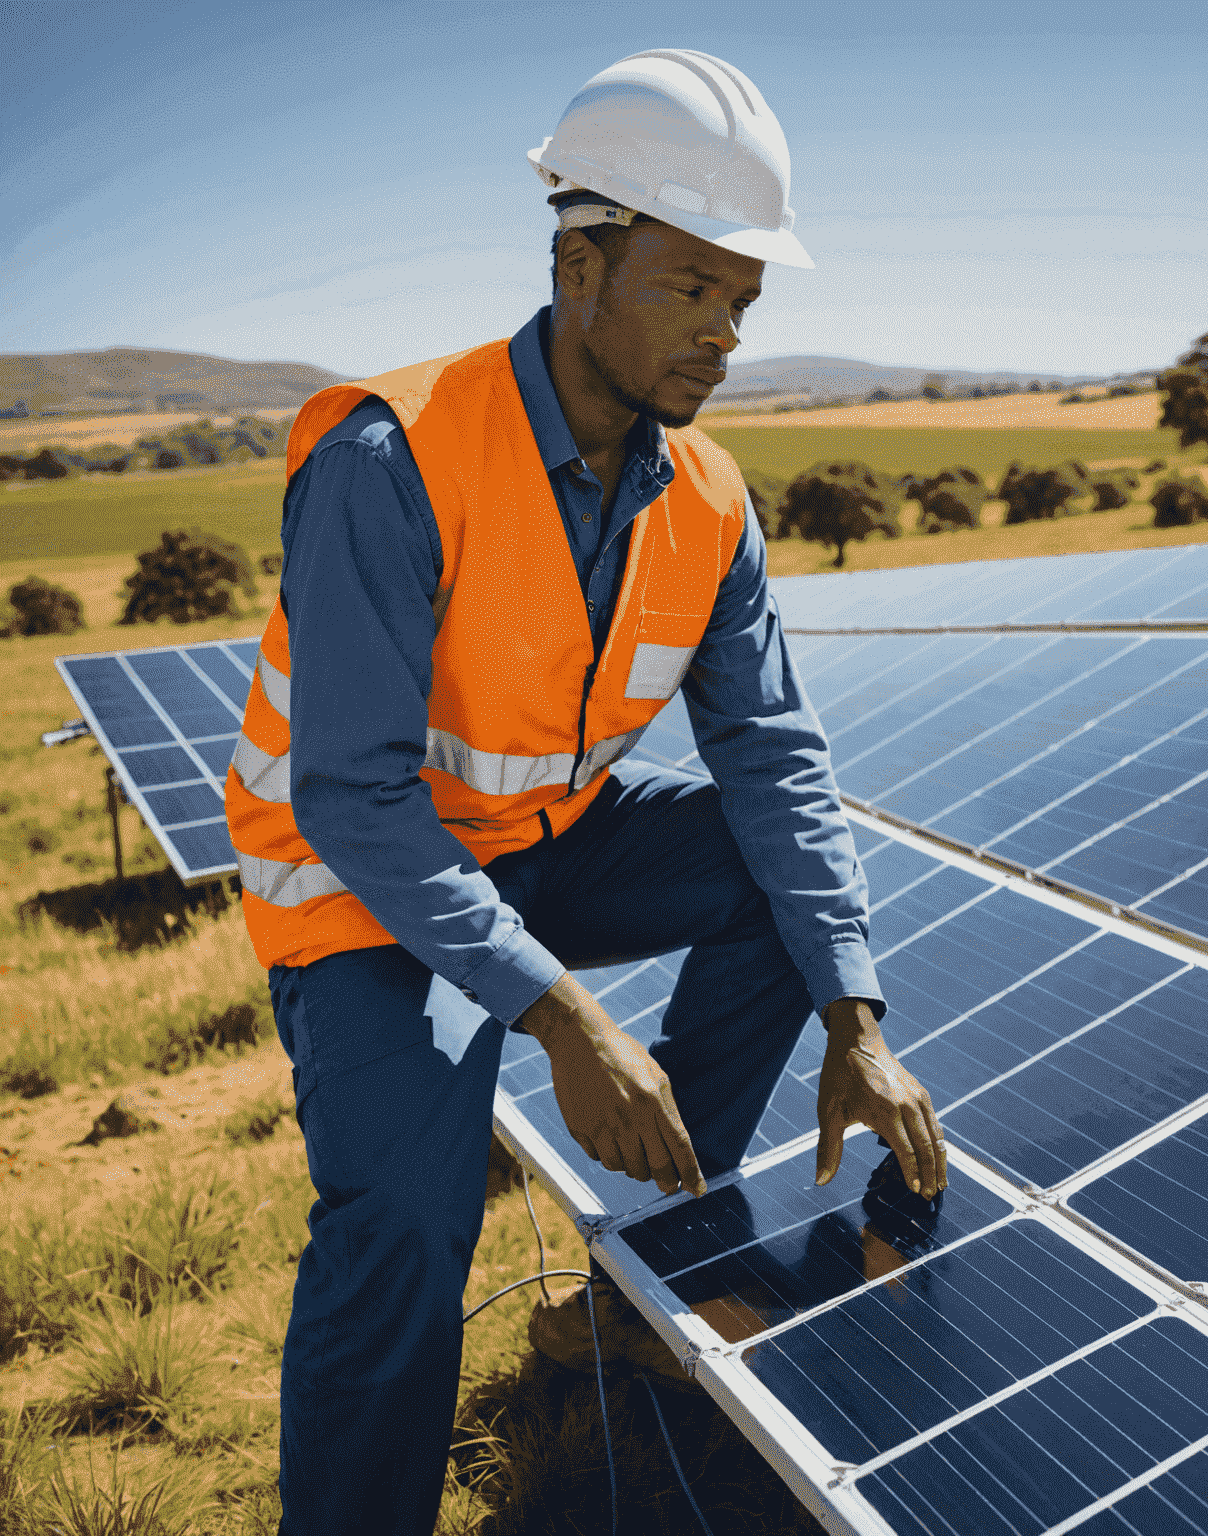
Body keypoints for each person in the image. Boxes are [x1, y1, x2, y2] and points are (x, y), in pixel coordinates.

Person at [226, 48, 946, 1534]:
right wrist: (569, 1019)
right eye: (689, 288)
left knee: (775, 876)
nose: (722, 337)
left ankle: (659, 1256)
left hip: (544, 853)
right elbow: (356, 796)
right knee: (408, 1226)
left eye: (743, 304)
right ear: (579, 262)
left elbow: (773, 758)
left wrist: (853, 1019)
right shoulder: (393, 456)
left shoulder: (711, 499)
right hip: (362, 885)